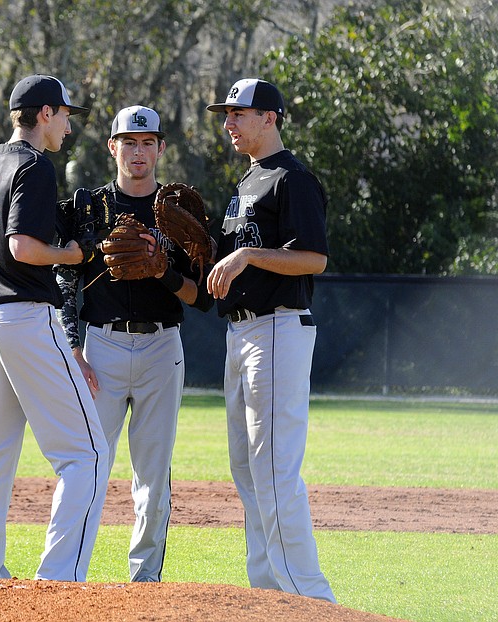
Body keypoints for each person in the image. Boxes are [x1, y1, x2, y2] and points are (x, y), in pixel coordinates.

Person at [0, 74, 110, 582]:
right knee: (86, 454)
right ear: (45, 113)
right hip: (25, 317)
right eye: (65, 114)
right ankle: (58, 583)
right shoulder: (34, 165)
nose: (68, 124)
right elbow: (24, 248)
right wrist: (73, 253)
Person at [55, 105, 213, 582]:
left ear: (161, 148)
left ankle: (145, 582)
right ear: (113, 147)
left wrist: (164, 270)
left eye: (147, 143)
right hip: (100, 347)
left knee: (153, 475)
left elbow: (201, 298)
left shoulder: (178, 210)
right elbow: (63, 275)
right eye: (129, 142)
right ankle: (67, 575)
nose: (138, 152)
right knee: (87, 466)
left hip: (162, 348)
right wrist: (73, 346)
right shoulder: (89, 207)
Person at [205, 78, 336, 602]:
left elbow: (314, 259)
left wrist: (247, 256)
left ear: (270, 119)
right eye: (227, 113)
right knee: (247, 468)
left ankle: (310, 597)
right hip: (242, 331)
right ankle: (267, 594)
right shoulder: (247, 183)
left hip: (278, 328)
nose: (229, 122)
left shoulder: (292, 180)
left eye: (239, 113)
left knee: (275, 466)